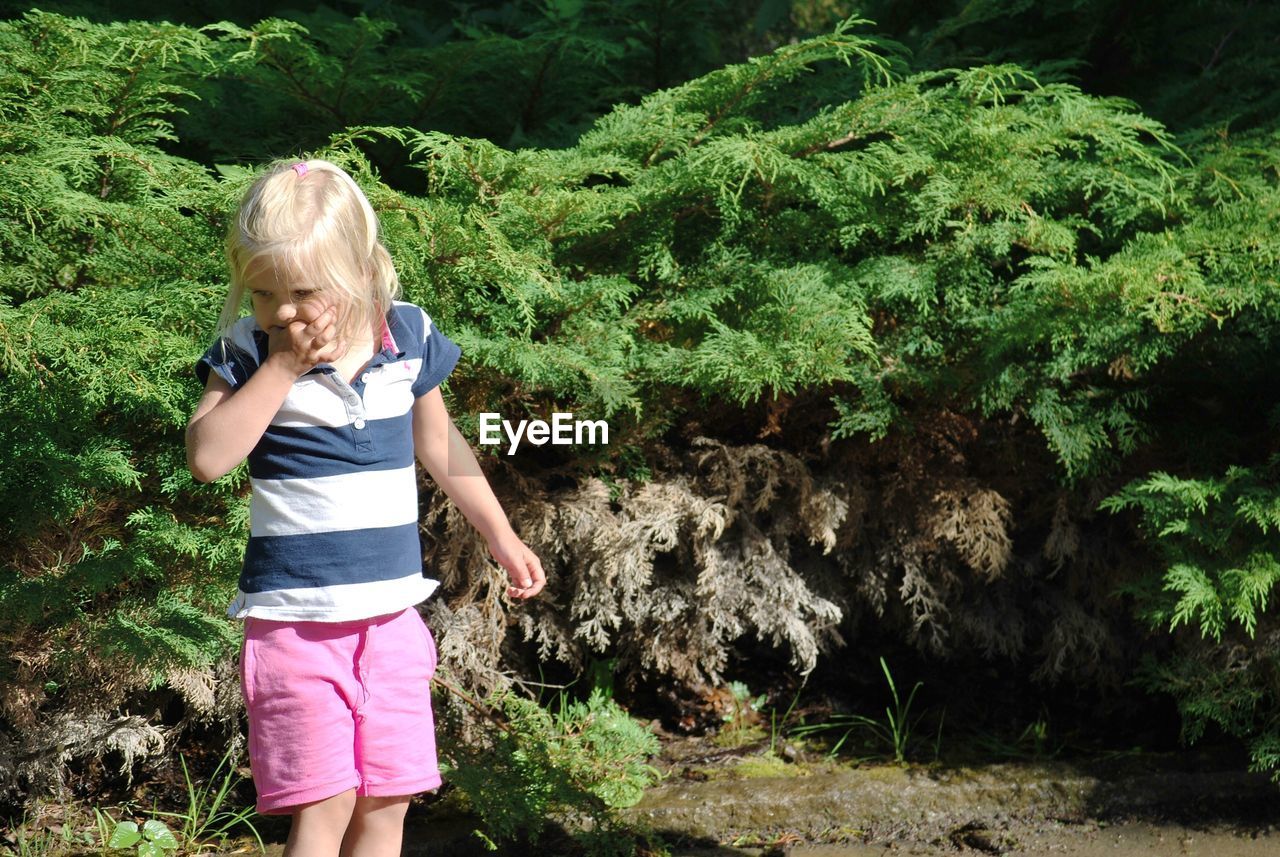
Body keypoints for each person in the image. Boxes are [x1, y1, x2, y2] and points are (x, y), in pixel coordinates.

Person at [186, 158, 546, 857]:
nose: (284, 311)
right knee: (323, 809)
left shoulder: (405, 338)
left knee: (386, 805)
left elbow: (441, 447)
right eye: (263, 293)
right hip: (296, 628)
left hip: (390, 620)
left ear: (358, 271)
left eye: (305, 292)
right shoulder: (247, 352)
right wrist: (282, 369)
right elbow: (207, 457)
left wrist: (499, 531)